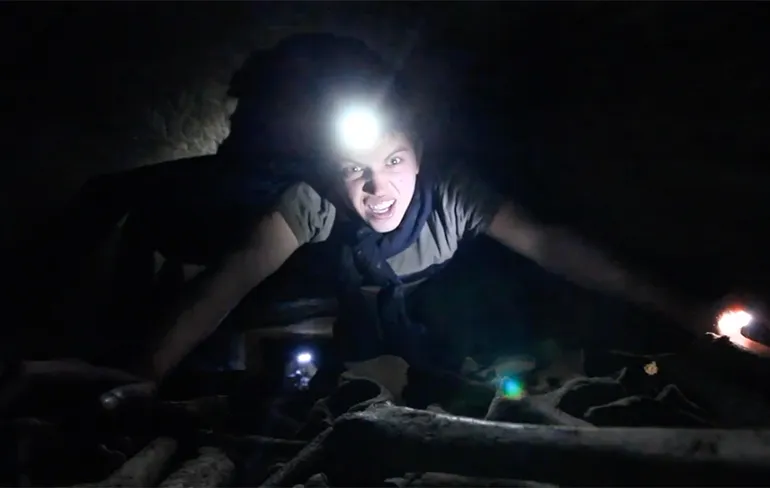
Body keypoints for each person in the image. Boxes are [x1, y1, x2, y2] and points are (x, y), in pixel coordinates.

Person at [139, 33, 706, 383]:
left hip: (437, 312)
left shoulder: (453, 194)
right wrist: (148, 370)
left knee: (482, 305)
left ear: (420, 154)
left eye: (392, 161)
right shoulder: (315, 200)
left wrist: (679, 307)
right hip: (350, 321)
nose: (374, 187)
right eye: (353, 168)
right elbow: (234, 274)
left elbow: (549, 244)